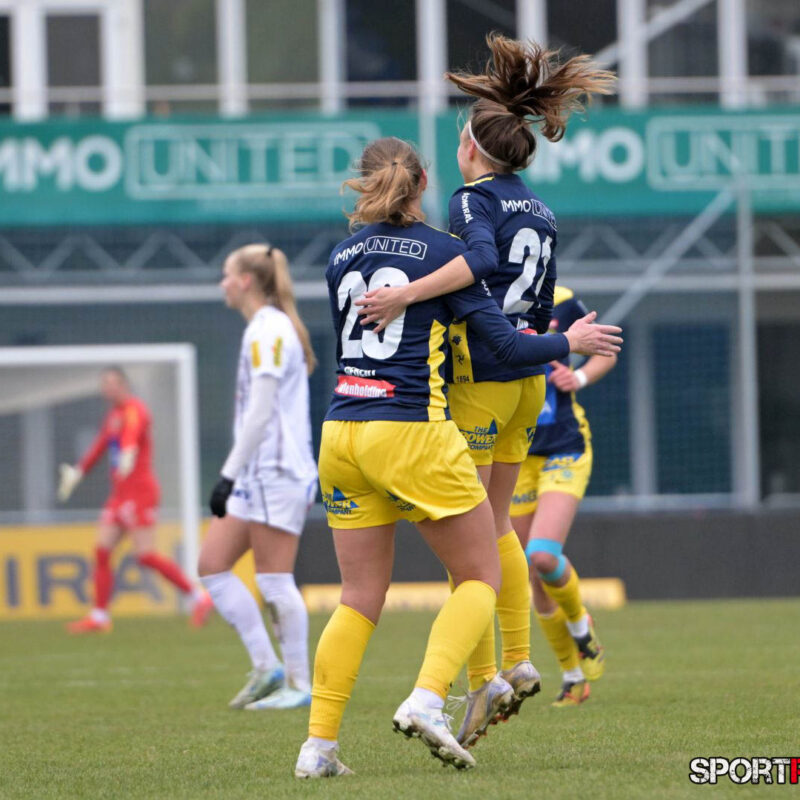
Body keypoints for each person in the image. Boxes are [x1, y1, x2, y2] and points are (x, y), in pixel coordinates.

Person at [294, 136, 621, 778]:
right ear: (421, 185)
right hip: (410, 430)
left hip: (340, 430)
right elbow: (502, 342)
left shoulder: (340, 255)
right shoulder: (447, 252)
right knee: (481, 574)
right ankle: (427, 699)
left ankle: (318, 748)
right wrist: (566, 339)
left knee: (358, 597)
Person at [355, 34, 615, 746]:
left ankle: (484, 674)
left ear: (471, 148)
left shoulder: (473, 201)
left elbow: (479, 263)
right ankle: (518, 660)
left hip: (484, 378)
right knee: (495, 527)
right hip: (527, 386)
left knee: (465, 548)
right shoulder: (541, 208)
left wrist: (407, 292)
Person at [197, 244, 319, 711]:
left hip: (276, 470)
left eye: (227, 275)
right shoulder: (264, 328)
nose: (223, 284)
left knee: (273, 580)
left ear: (246, 280)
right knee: (212, 565)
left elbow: (261, 410)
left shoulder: (268, 329)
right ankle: (267, 667)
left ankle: (300, 684)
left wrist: (226, 474)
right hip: (257, 472)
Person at [511, 286, 617, 707]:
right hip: (515, 453)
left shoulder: (564, 300)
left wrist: (580, 376)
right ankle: (573, 677)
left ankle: (580, 624)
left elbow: (606, 351)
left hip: (565, 447)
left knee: (541, 554)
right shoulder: (485, 300)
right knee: (532, 578)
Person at [58, 367, 213, 633]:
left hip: (140, 493)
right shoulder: (113, 415)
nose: (107, 388)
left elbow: (132, 431)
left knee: (146, 555)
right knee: (102, 550)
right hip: (120, 495)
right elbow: (100, 446)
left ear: (123, 385)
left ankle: (198, 597)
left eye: (111, 383)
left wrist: (129, 449)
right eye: (103, 383)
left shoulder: (134, 409)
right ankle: (99, 616)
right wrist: (79, 471)